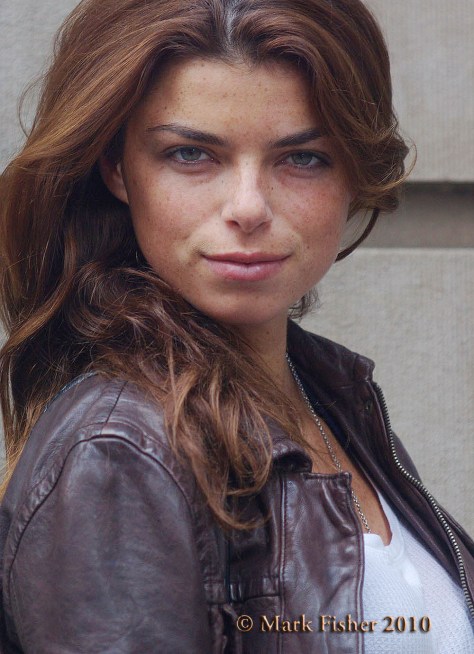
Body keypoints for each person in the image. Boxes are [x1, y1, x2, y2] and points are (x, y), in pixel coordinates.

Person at [0, 0, 472, 652]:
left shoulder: (331, 394)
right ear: (117, 169)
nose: (248, 207)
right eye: (192, 153)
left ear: (353, 174)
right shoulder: (118, 451)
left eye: (302, 158)